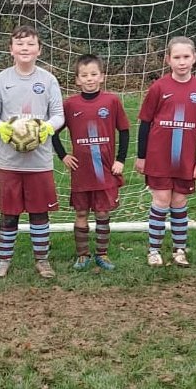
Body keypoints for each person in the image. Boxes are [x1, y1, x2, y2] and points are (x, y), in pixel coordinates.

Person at [0, 25, 65, 279]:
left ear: (39, 50)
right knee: (9, 213)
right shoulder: (1, 80)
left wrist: (46, 129)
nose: (25, 48)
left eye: (30, 44)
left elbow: (59, 115)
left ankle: (42, 260)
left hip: (39, 161)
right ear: (11, 50)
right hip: (9, 161)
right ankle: (3, 259)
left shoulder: (48, 79)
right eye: (19, 44)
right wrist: (3, 128)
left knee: (39, 213)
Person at [135, 36, 196, 267]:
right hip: (159, 158)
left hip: (186, 160)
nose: (182, 62)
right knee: (161, 200)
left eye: (186, 57)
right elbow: (145, 124)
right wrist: (141, 156)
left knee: (179, 202)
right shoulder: (159, 87)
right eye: (177, 57)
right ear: (168, 59)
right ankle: (154, 250)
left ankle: (180, 249)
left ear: (194, 58)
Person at [52, 54, 130, 271]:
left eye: (94, 74)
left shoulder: (111, 101)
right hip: (82, 171)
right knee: (81, 213)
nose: (89, 79)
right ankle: (82, 255)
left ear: (102, 77)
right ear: (77, 80)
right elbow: (53, 133)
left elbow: (124, 131)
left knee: (103, 213)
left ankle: (102, 254)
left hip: (105, 169)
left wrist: (121, 160)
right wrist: (63, 155)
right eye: (84, 75)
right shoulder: (69, 104)